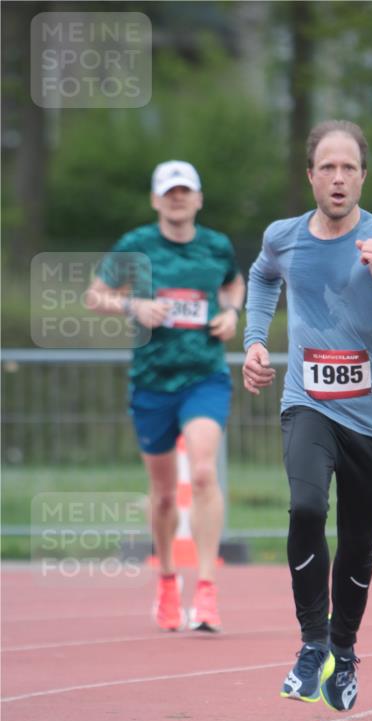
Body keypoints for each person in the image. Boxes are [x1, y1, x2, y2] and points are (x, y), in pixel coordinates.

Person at [243, 120, 372, 711]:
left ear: (362, 178)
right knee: (305, 507)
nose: (337, 177)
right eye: (326, 167)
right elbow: (261, 275)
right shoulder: (284, 237)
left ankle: (344, 652)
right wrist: (255, 340)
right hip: (309, 402)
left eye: (348, 168)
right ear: (310, 176)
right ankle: (311, 645)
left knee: (357, 545)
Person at [86, 160, 245, 632]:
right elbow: (96, 295)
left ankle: (208, 588)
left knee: (201, 472)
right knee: (160, 498)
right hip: (152, 382)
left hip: (204, 376)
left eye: (186, 191)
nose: (178, 199)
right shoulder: (137, 246)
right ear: (157, 200)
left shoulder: (216, 246)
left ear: (198, 199)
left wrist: (232, 313)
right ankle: (167, 580)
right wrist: (134, 304)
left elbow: (233, 282)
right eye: (169, 192)